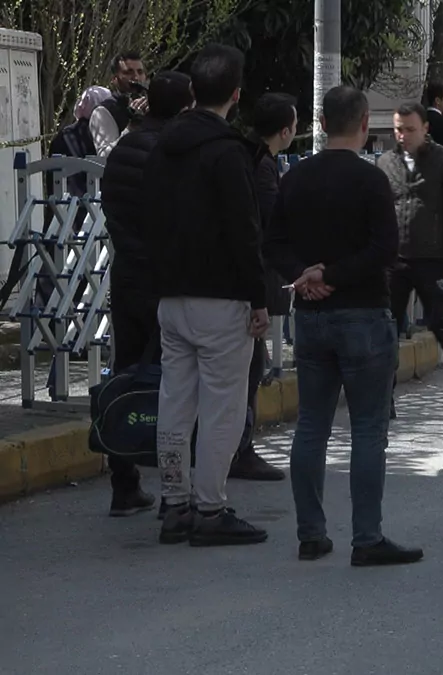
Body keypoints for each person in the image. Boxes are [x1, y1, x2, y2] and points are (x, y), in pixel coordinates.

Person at [264, 86, 423, 566]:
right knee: (368, 429)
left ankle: (311, 533)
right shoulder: (371, 180)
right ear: (362, 125)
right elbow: (384, 250)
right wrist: (330, 275)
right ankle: (366, 536)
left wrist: (304, 275)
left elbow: (272, 243)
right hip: (363, 315)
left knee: (311, 424)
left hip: (311, 317)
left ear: (320, 122)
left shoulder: (295, 177)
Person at [143, 44, 269, 547]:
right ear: (236, 95)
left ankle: (173, 502)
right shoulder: (227, 153)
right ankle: (210, 509)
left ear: (192, 90)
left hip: (170, 296)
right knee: (222, 406)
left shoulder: (161, 148)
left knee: (175, 400)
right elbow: (244, 232)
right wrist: (258, 298)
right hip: (221, 298)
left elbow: (145, 219)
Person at [99, 70, 194, 517]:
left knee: (127, 375)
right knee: (175, 384)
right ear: (185, 108)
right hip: (166, 280)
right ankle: (176, 486)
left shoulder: (120, 152)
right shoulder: (174, 153)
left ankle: (124, 481)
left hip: (127, 275)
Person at [378, 102, 443, 416]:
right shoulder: (386, 163)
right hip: (395, 261)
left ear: (425, 129)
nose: (402, 135)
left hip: (434, 260)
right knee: (384, 329)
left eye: (409, 129)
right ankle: (383, 396)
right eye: (398, 129)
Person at [227, 92, 298, 482]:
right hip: (246, 281)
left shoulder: (247, 156)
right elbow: (269, 222)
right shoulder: (262, 166)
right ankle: (240, 448)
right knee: (247, 368)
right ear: (285, 130)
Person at [90, 51, 149, 157]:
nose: (136, 78)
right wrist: (131, 128)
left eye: (140, 72)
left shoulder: (152, 105)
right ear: (114, 79)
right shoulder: (104, 111)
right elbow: (104, 156)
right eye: (128, 72)